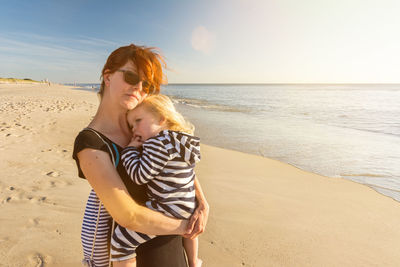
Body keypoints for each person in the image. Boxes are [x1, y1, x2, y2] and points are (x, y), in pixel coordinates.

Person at [72, 44, 209, 267]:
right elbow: (128, 216)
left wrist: (202, 203)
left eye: (148, 84)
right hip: (139, 256)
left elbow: (178, 163)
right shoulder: (91, 144)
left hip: (175, 252)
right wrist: (186, 225)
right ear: (107, 77)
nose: (139, 88)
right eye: (131, 76)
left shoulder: (144, 126)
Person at [110, 95, 202, 267]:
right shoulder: (181, 140)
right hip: (188, 206)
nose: (134, 129)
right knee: (190, 233)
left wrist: (129, 151)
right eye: (131, 125)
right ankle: (194, 261)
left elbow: (139, 176)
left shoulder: (157, 143)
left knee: (120, 242)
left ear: (161, 119)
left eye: (138, 120)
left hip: (167, 207)